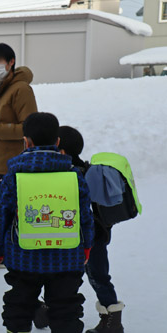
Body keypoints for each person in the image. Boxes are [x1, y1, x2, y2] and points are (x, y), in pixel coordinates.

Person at [0, 113, 94, 333]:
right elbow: (86, 216)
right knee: (66, 309)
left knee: (19, 304)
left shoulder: (14, 175)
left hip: (22, 258)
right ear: (57, 142)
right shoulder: (74, 175)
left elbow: (1, 214)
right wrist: (86, 247)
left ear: (26, 141)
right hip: (67, 258)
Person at [58, 126, 125, 333]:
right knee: (97, 275)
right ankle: (110, 317)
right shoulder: (86, 169)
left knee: (81, 276)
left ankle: (111, 321)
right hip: (97, 235)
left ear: (60, 150)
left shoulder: (70, 174)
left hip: (87, 238)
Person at [0, 43, 38, 269]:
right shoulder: (2, 89)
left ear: (11, 62)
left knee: (1, 214)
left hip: (10, 165)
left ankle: (2, 255)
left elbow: (29, 128)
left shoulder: (20, 89)